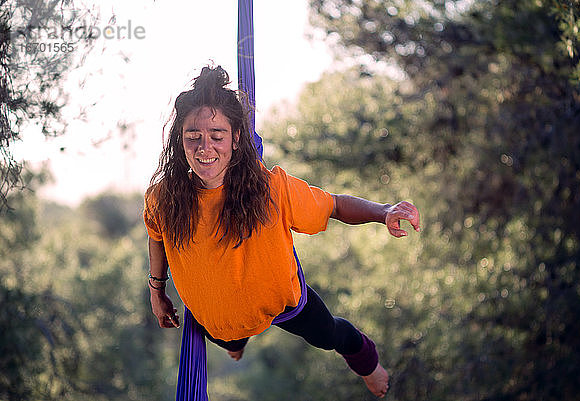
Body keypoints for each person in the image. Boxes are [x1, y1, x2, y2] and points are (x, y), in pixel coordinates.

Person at [143, 65, 420, 399]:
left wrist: (384, 211)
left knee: (330, 334)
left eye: (217, 136)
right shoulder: (164, 196)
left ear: (236, 138)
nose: (205, 148)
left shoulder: (272, 189)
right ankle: (238, 341)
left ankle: (367, 362)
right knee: (229, 338)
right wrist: (157, 292)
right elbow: (156, 235)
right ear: (180, 140)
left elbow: (334, 206)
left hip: (283, 303)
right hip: (216, 320)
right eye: (193, 138)